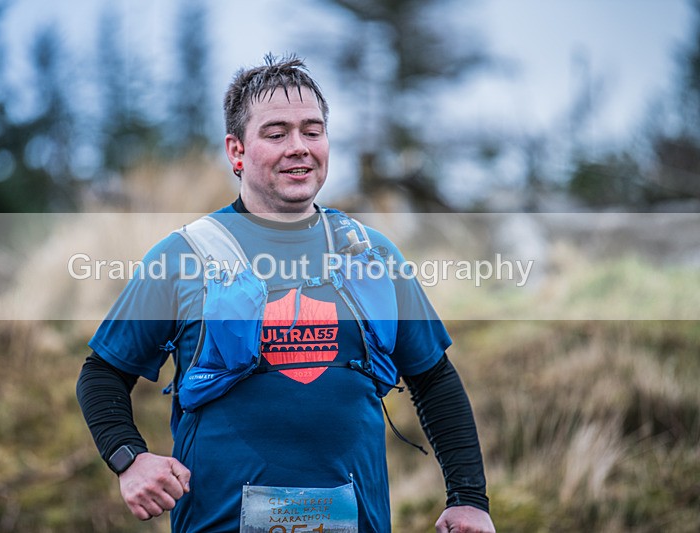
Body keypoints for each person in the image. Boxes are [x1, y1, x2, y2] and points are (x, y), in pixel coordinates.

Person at [77, 53, 495, 533]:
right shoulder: (182, 257)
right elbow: (102, 373)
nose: (298, 147)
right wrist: (129, 459)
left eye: (312, 131)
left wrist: (468, 499)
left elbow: (435, 379)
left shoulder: (371, 255)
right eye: (276, 134)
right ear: (236, 151)